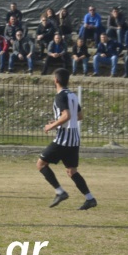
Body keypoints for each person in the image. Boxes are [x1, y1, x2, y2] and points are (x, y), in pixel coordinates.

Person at [37, 68, 97, 210]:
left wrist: (50, 126)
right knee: (71, 171)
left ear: (56, 80)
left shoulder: (60, 96)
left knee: (41, 164)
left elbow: (67, 116)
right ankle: (90, 199)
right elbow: (79, 116)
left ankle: (60, 192)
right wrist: (58, 121)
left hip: (64, 139)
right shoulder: (72, 95)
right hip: (74, 139)